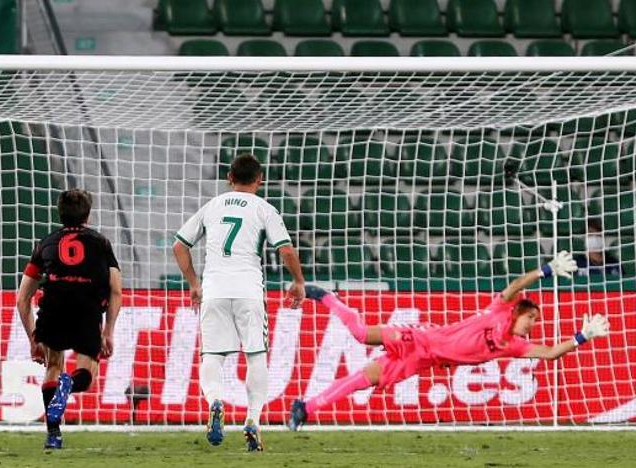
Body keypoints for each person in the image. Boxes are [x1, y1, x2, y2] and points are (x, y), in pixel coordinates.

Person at [288, 251, 610, 430]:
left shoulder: (514, 346)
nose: (533, 325)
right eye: (532, 318)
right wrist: (547, 270)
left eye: (536, 322)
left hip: (421, 360)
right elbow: (515, 284)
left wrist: (583, 336)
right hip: (419, 337)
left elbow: (552, 353)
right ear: (519, 312)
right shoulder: (499, 309)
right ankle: (328, 298)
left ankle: (306, 408)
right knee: (360, 334)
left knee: (362, 380)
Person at [173, 154, 306, 452]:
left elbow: (179, 245)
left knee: (212, 355)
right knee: (256, 355)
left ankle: (215, 401)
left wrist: (195, 283)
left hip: (215, 289)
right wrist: (298, 282)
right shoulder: (265, 209)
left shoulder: (212, 206)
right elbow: (285, 251)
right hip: (248, 290)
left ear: (229, 178)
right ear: (260, 180)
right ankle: (253, 421)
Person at [16, 189, 122, 449]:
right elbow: (116, 289)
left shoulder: (45, 244)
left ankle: (53, 434)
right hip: (87, 309)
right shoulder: (101, 243)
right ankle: (69, 386)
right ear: (88, 214)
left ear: (60, 213)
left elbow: (22, 299)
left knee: (54, 365)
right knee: (85, 373)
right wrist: (108, 331)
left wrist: (33, 338)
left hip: (53, 307)